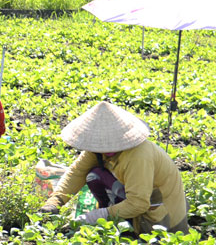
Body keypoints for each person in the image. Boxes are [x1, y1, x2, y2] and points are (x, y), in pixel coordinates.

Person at [38, 101, 190, 235]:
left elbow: (138, 203)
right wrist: (55, 201)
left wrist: (98, 216)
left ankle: (119, 221)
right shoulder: (98, 150)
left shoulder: (138, 156)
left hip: (160, 221)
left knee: (102, 188)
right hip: (140, 203)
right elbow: (77, 172)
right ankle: (113, 217)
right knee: (94, 175)